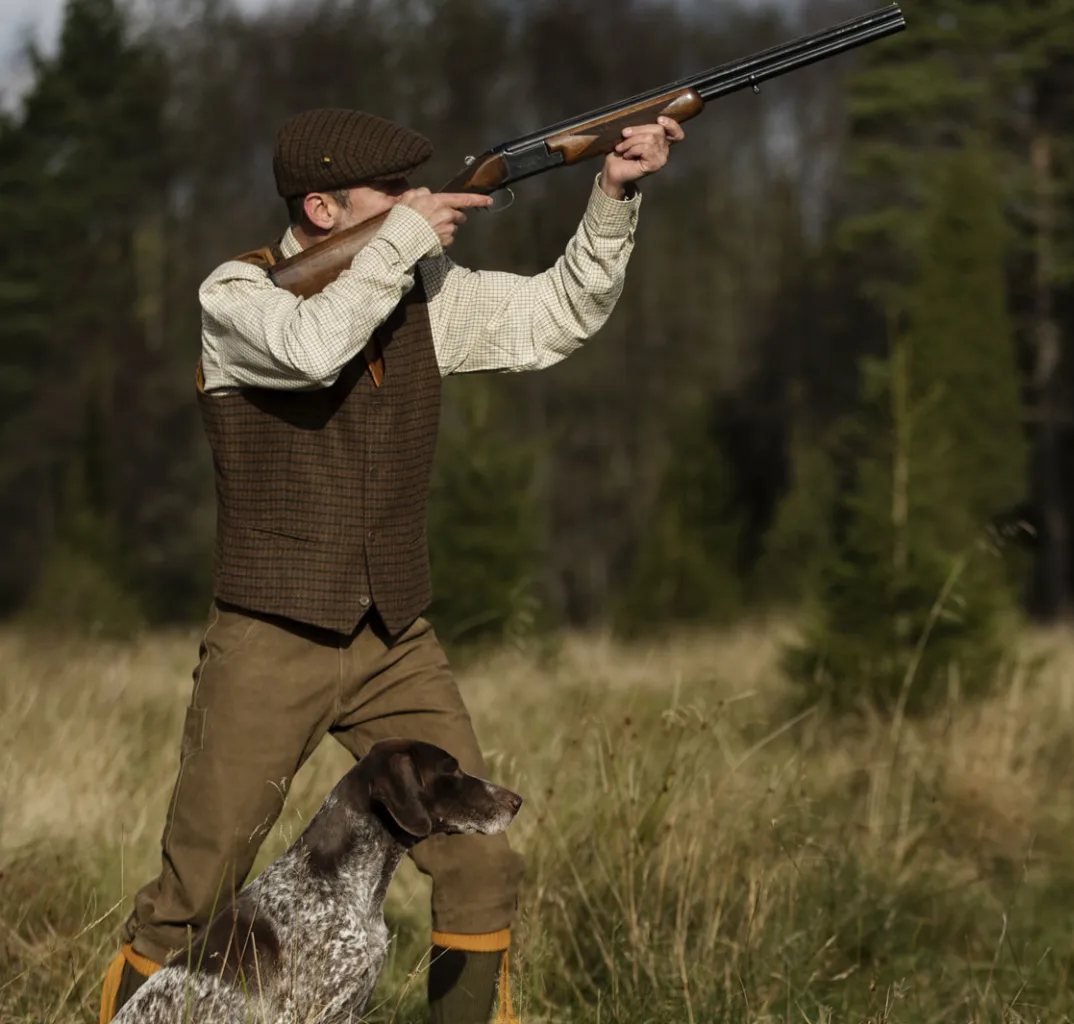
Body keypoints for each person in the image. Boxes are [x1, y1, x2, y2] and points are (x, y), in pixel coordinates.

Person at [97, 105, 683, 1024]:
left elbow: (551, 320)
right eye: (396, 193)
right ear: (324, 212)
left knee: (483, 863)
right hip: (268, 637)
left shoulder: (422, 290)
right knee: (193, 897)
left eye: (419, 188)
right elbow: (312, 348)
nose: (421, 202)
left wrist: (612, 198)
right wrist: (406, 240)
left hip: (396, 636)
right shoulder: (235, 298)